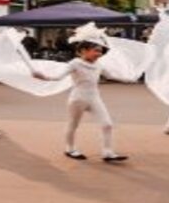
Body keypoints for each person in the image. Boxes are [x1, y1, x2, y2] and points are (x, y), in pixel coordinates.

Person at [33, 24, 129, 163]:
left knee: (107, 124)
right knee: (73, 124)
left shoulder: (99, 65)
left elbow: (111, 75)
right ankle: (70, 149)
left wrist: (129, 78)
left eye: (101, 51)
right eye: (96, 50)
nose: (99, 54)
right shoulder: (75, 63)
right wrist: (43, 76)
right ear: (83, 50)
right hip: (78, 99)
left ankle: (107, 152)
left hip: (94, 97)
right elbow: (58, 76)